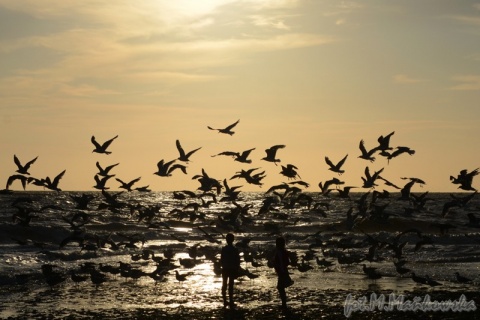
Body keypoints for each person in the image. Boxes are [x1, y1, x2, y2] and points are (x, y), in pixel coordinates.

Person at [220, 233, 241, 308]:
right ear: (233, 240)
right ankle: (231, 300)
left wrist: (222, 266)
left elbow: (221, 259)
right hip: (232, 268)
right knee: (231, 284)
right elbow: (237, 260)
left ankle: (225, 300)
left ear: (226, 240)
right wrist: (237, 268)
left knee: (224, 284)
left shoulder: (224, 249)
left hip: (225, 268)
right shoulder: (235, 249)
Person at [273, 236, 293, 309]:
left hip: (282, 271)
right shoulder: (284, 252)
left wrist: (281, 269)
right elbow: (287, 262)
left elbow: (282, 262)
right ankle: (284, 303)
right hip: (282, 270)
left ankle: (284, 304)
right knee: (281, 287)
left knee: (280, 287)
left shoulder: (280, 252)